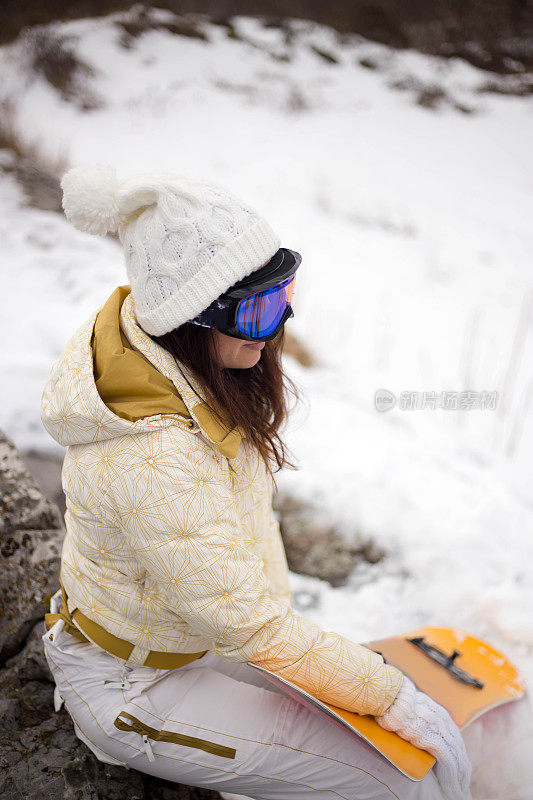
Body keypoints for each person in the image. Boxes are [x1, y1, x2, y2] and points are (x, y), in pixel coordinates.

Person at [40, 165, 471, 800]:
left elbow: (247, 595)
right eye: (257, 309)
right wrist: (392, 696)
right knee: (400, 782)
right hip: (134, 684)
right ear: (190, 313)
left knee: (410, 758)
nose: (278, 327)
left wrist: (332, 673)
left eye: (284, 294)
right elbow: (252, 627)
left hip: (195, 640)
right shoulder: (151, 457)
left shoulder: (181, 368)